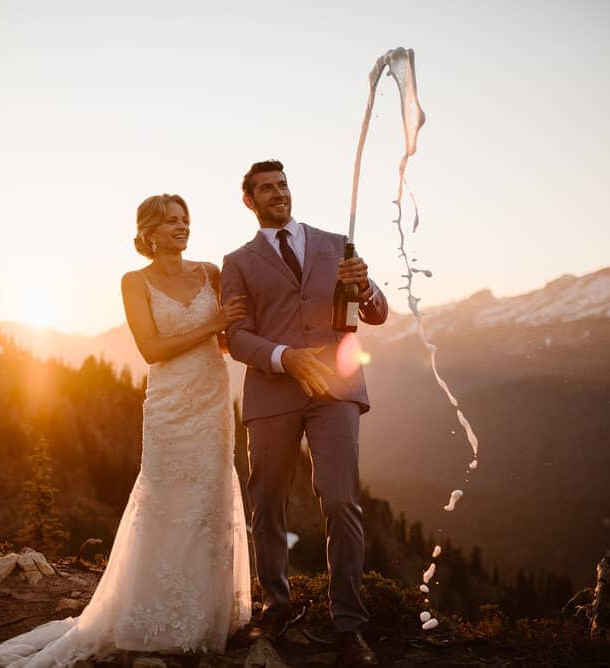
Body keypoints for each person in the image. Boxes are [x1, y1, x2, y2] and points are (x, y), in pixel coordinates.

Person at [0, 194, 252, 667]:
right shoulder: (135, 281)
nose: (181, 227)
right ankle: (153, 616)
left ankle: (205, 616)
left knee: (209, 502)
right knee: (167, 501)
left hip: (212, 402)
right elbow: (151, 348)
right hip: (169, 407)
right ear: (148, 232)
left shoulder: (210, 271)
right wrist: (213, 322)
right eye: (170, 221)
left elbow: (227, 341)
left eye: (185, 219)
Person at [220, 160, 388, 667]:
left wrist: (368, 284)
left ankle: (349, 626)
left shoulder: (336, 243)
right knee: (267, 504)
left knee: (341, 502)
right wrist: (284, 357)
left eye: (283, 185)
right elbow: (235, 337)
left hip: (335, 388)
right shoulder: (237, 262)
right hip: (274, 391)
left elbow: (375, 312)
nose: (279, 194)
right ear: (249, 201)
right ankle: (276, 605)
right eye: (266, 189)